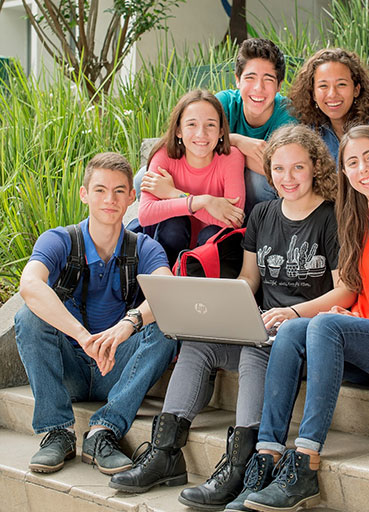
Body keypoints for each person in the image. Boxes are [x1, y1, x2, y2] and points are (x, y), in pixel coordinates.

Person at [110, 124, 344, 511]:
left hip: (299, 334)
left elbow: (345, 289)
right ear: (269, 173)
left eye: (298, 168)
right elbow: (249, 278)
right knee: (200, 340)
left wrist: (291, 311)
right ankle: (166, 451)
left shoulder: (330, 218)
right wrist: (225, 303)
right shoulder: (264, 214)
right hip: (263, 322)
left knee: (255, 344)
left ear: (316, 167)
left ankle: (241, 464)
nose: (288, 178)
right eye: (279, 169)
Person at [226, 125, 369, 512]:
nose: (363, 168)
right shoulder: (353, 218)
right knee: (293, 328)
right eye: (352, 162)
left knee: (323, 325)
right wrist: (350, 316)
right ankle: (266, 456)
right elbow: (360, 293)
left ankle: (305, 465)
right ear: (345, 173)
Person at [14, 152, 178, 476]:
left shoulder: (144, 247)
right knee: (27, 318)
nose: (110, 199)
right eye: (100, 190)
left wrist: (127, 326)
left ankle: (104, 432)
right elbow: (30, 285)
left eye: (119, 191)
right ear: (84, 194)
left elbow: (167, 292)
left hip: (117, 367)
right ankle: (58, 433)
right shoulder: (59, 239)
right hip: (70, 368)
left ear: (132, 196)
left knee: (167, 328)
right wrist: (81, 335)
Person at [130, 89, 245, 267]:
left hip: (209, 257)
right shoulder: (164, 156)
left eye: (211, 125)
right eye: (192, 124)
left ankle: (196, 282)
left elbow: (233, 221)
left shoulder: (231, 157)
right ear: (178, 131)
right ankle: (165, 279)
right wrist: (203, 201)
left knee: (213, 233)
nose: (201, 134)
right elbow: (145, 215)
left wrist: (173, 193)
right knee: (174, 223)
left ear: (221, 131)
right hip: (170, 247)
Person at [216, 38, 297, 214]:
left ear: (279, 86)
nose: (258, 88)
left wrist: (226, 148)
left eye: (268, 80)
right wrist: (237, 141)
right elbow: (192, 146)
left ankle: (251, 234)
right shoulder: (223, 104)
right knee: (143, 176)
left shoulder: (287, 113)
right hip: (214, 186)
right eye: (250, 78)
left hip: (264, 201)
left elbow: (279, 171)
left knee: (257, 182)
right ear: (238, 80)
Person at [288, 48, 369, 163]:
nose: (332, 94)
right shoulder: (310, 128)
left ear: (356, 90)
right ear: (313, 94)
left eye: (341, 84)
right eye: (323, 86)